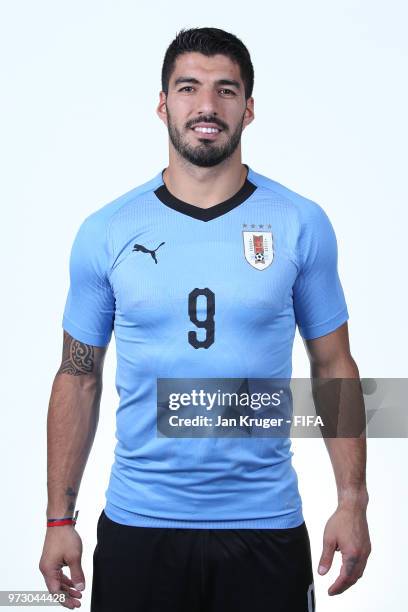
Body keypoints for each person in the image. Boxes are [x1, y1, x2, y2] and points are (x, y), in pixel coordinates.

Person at [39, 27, 371, 611]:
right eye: (188, 88)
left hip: (264, 527)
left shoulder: (299, 223)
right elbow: (78, 375)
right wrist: (58, 517)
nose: (207, 106)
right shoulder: (108, 230)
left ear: (249, 107)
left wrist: (352, 500)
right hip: (139, 526)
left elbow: (333, 366)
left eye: (226, 90)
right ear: (163, 103)